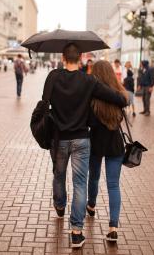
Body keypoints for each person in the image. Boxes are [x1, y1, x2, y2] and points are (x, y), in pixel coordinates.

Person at [43, 44, 128, 248]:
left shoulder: (53, 76)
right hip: (82, 139)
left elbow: (44, 103)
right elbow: (119, 99)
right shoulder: (89, 81)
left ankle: (60, 204)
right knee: (80, 183)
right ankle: (76, 232)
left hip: (60, 138)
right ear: (80, 58)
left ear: (63, 57)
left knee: (59, 175)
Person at [86, 60, 128, 242]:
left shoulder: (92, 97)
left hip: (96, 144)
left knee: (93, 177)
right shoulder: (120, 94)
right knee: (113, 185)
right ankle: (113, 227)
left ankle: (91, 205)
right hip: (115, 144)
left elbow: (89, 122)